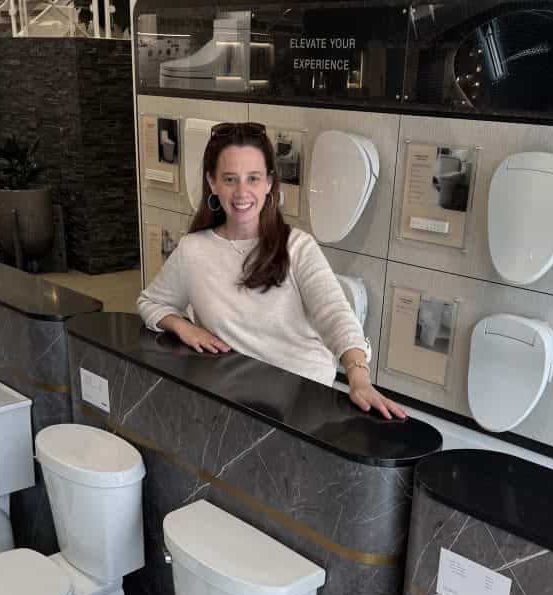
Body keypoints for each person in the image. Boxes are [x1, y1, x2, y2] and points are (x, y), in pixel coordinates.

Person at [136, 122, 407, 420]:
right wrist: (183, 326)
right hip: (231, 399)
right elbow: (151, 302)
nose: (242, 192)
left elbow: (335, 315)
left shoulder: (298, 247)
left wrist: (358, 377)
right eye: (229, 179)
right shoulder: (193, 250)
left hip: (301, 403)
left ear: (269, 183)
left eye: (253, 178)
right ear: (212, 183)